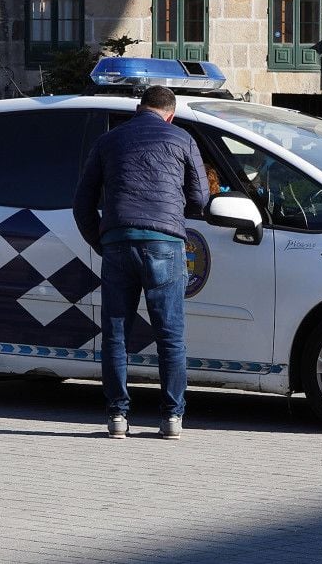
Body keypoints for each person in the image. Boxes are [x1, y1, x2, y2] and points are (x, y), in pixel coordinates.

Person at [72, 85, 208, 440]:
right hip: (165, 242)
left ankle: (117, 417)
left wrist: (101, 241)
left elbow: (81, 203)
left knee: (116, 334)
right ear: (171, 113)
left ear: (139, 108)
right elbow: (199, 197)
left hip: (118, 241)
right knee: (170, 336)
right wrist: (176, 217)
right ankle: (172, 419)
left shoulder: (109, 140)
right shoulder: (182, 138)